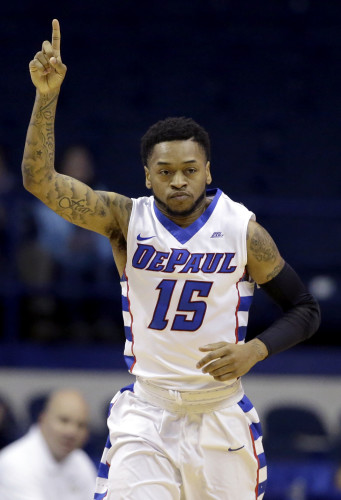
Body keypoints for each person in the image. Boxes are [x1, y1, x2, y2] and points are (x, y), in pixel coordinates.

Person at [21, 19, 320, 500]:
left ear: (207, 172)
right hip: (149, 411)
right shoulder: (124, 220)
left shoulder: (242, 231)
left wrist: (254, 351)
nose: (178, 180)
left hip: (220, 413)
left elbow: (306, 309)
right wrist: (46, 95)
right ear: (147, 177)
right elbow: (41, 182)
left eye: (189, 170)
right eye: (165, 171)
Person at [0, 389, 97, 500]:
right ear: (43, 419)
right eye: (64, 421)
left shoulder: (81, 460)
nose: (71, 432)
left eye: (81, 425)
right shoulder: (14, 463)